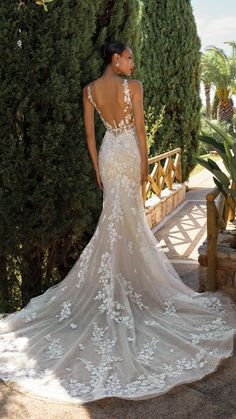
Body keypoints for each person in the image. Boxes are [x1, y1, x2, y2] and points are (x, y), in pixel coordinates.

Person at [0, 41, 235, 405]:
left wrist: (97, 168)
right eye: (128, 57)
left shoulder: (90, 90)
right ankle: (126, 285)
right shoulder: (133, 87)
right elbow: (140, 129)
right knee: (128, 222)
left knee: (114, 221)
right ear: (116, 59)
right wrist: (143, 165)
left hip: (109, 155)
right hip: (127, 153)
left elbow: (91, 136)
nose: (132, 62)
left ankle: (119, 282)